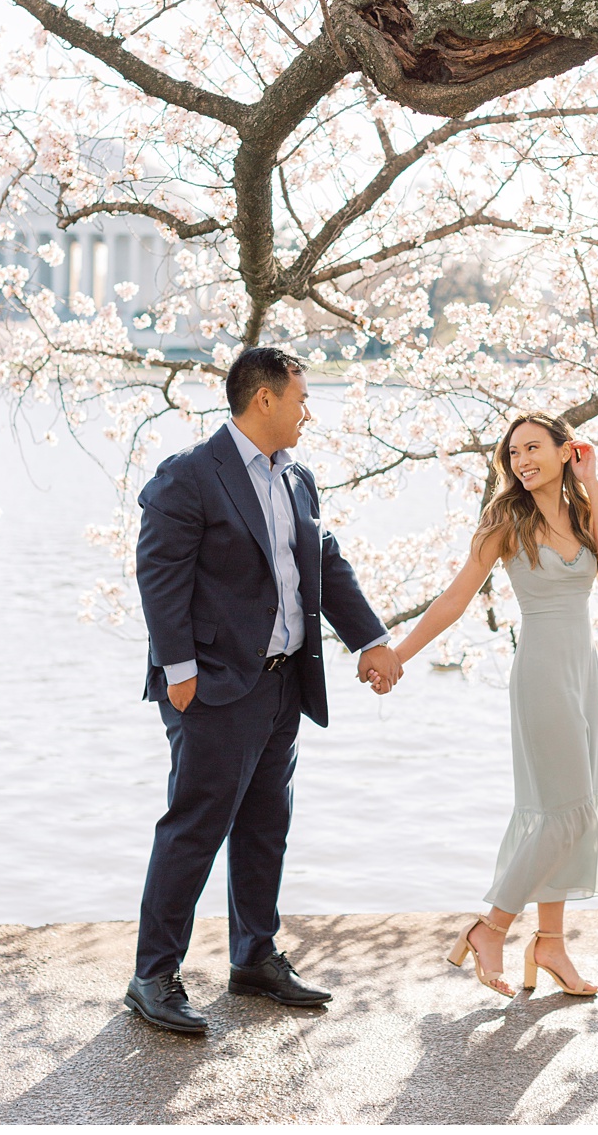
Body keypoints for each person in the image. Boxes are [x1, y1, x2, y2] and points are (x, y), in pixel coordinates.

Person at [124, 346, 400, 1033]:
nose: (309, 411)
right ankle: (153, 973)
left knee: (264, 828)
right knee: (194, 828)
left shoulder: (298, 478)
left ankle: (254, 955)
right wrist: (180, 669)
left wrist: (369, 637)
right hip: (213, 686)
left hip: (282, 685)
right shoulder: (190, 475)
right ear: (265, 398)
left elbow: (322, 563)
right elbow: (158, 570)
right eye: (301, 397)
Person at [390, 412, 598, 998]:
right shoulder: (506, 521)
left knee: (570, 808)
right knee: (565, 812)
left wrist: (592, 483)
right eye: (513, 452)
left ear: (564, 450)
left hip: (583, 672)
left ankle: (550, 945)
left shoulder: (580, 512)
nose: (521, 460)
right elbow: (454, 598)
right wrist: (399, 653)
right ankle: (490, 926)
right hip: (543, 672)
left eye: (533, 448)